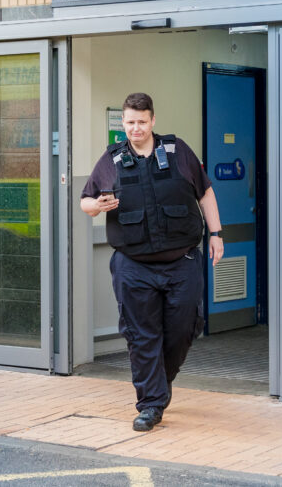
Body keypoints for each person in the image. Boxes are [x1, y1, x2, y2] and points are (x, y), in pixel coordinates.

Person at [81, 92, 224, 432]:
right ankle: (150, 404)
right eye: (129, 123)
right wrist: (97, 206)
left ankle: (159, 381)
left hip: (182, 260)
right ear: (124, 123)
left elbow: (205, 192)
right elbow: (85, 201)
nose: (135, 129)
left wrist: (216, 234)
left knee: (183, 328)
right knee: (142, 335)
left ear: (153, 120)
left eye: (141, 122)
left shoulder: (178, 152)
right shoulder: (111, 159)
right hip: (133, 264)